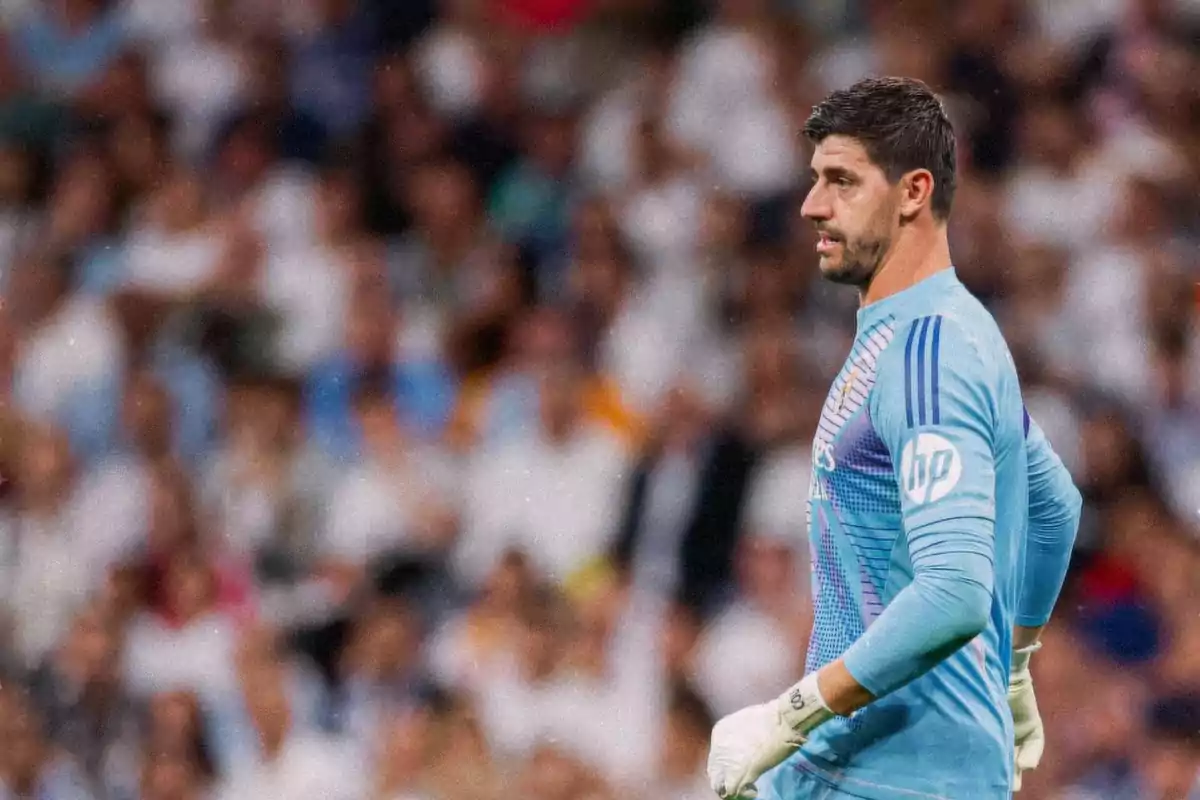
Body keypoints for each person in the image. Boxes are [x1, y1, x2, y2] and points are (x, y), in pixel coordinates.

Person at [705, 76, 1082, 800]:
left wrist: (787, 716)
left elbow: (953, 591)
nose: (813, 204)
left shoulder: (928, 353)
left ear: (912, 192)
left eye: (842, 181)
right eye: (816, 180)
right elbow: (1054, 504)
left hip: (894, 777)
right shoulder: (950, 330)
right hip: (869, 765)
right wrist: (1011, 667)